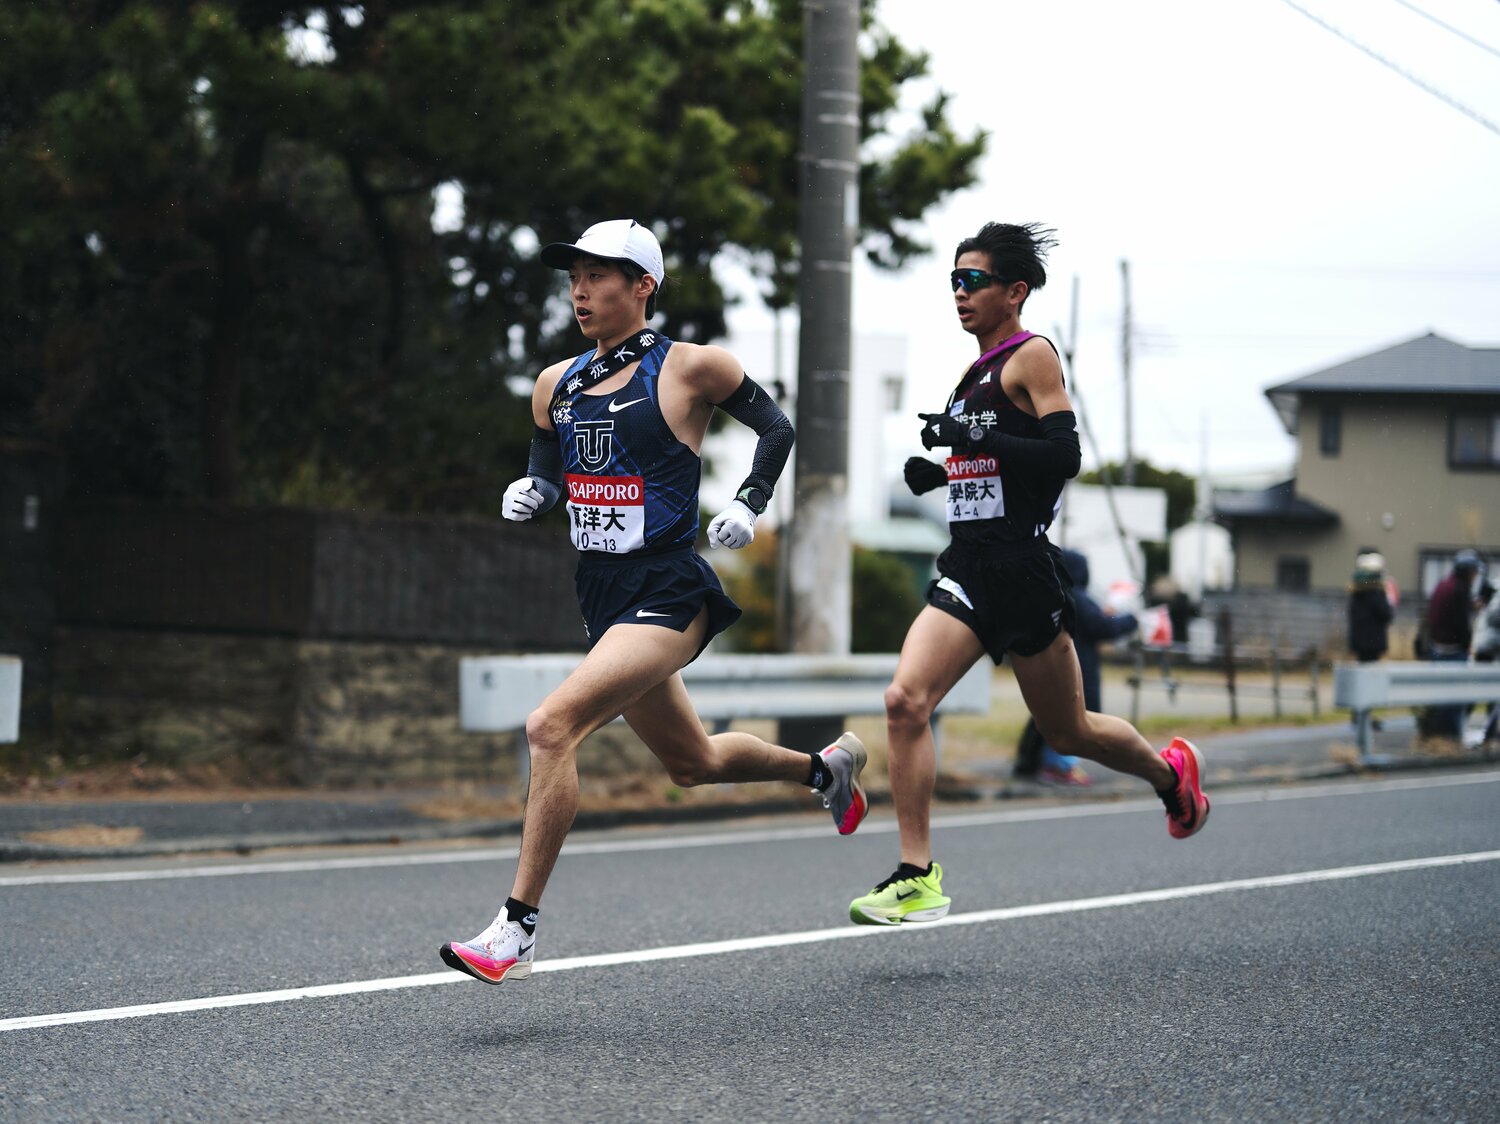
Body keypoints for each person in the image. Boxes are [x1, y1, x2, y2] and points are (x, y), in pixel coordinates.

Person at [440, 219, 868, 984]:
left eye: (600, 275)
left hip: (670, 586)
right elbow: (549, 452)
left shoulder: (691, 368)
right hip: (601, 592)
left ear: (643, 285)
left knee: (550, 726)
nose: (580, 290)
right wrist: (535, 487)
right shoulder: (556, 382)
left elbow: (776, 426)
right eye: (573, 275)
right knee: (693, 762)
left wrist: (751, 499)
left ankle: (517, 927)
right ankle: (823, 770)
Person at [847, 221, 1210, 926]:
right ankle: (916, 874)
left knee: (1070, 731)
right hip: (968, 565)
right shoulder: (971, 371)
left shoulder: (1031, 354)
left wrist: (976, 438)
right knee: (904, 701)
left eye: (972, 280)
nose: (959, 292)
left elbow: (1061, 457)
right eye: (953, 280)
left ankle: (1171, 777)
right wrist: (941, 471)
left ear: (1014, 292)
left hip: (1022, 570)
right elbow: (989, 465)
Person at [1015, 548, 1139, 785]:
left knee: (1051, 717)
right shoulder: (1078, 597)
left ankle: (1040, 762)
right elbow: (1101, 626)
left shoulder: (1054, 593)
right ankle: (1059, 766)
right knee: (1075, 719)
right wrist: (1132, 620)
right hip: (1078, 667)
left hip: (1054, 665)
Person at [1424, 549, 1482, 740]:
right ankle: (1451, 737)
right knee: (1457, 697)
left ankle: (1439, 735)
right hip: (1452, 650)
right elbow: (1461, 625)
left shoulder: (1444, 585)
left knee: (1442, 697)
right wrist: (1468, 645)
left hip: (1437, 647)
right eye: (1474, 572)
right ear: (1468, 571)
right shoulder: (1460, 590)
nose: (1475, 576)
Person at [1346, 550, 1394, 731]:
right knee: (1369, 681)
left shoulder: (1357, 591)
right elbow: (1386, 614)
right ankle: (1364, 716)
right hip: (1372, 643)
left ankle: (1358, 715)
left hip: (1359, 642)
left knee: (1361, 679)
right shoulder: (1375, 592)